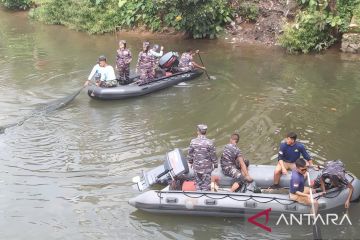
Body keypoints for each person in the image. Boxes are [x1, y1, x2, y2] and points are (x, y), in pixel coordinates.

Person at [188, 124, 218, 191]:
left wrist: (190, 162)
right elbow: (213, 156)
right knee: (206, 186)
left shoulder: (193, 142)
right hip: (207, 169)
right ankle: (204, 196)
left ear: (198, 131)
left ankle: (198, 195)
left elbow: (190, 155)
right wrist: (215, 165)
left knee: (197, 185)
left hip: (196, 168)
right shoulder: (210, 142)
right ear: (205, 132)